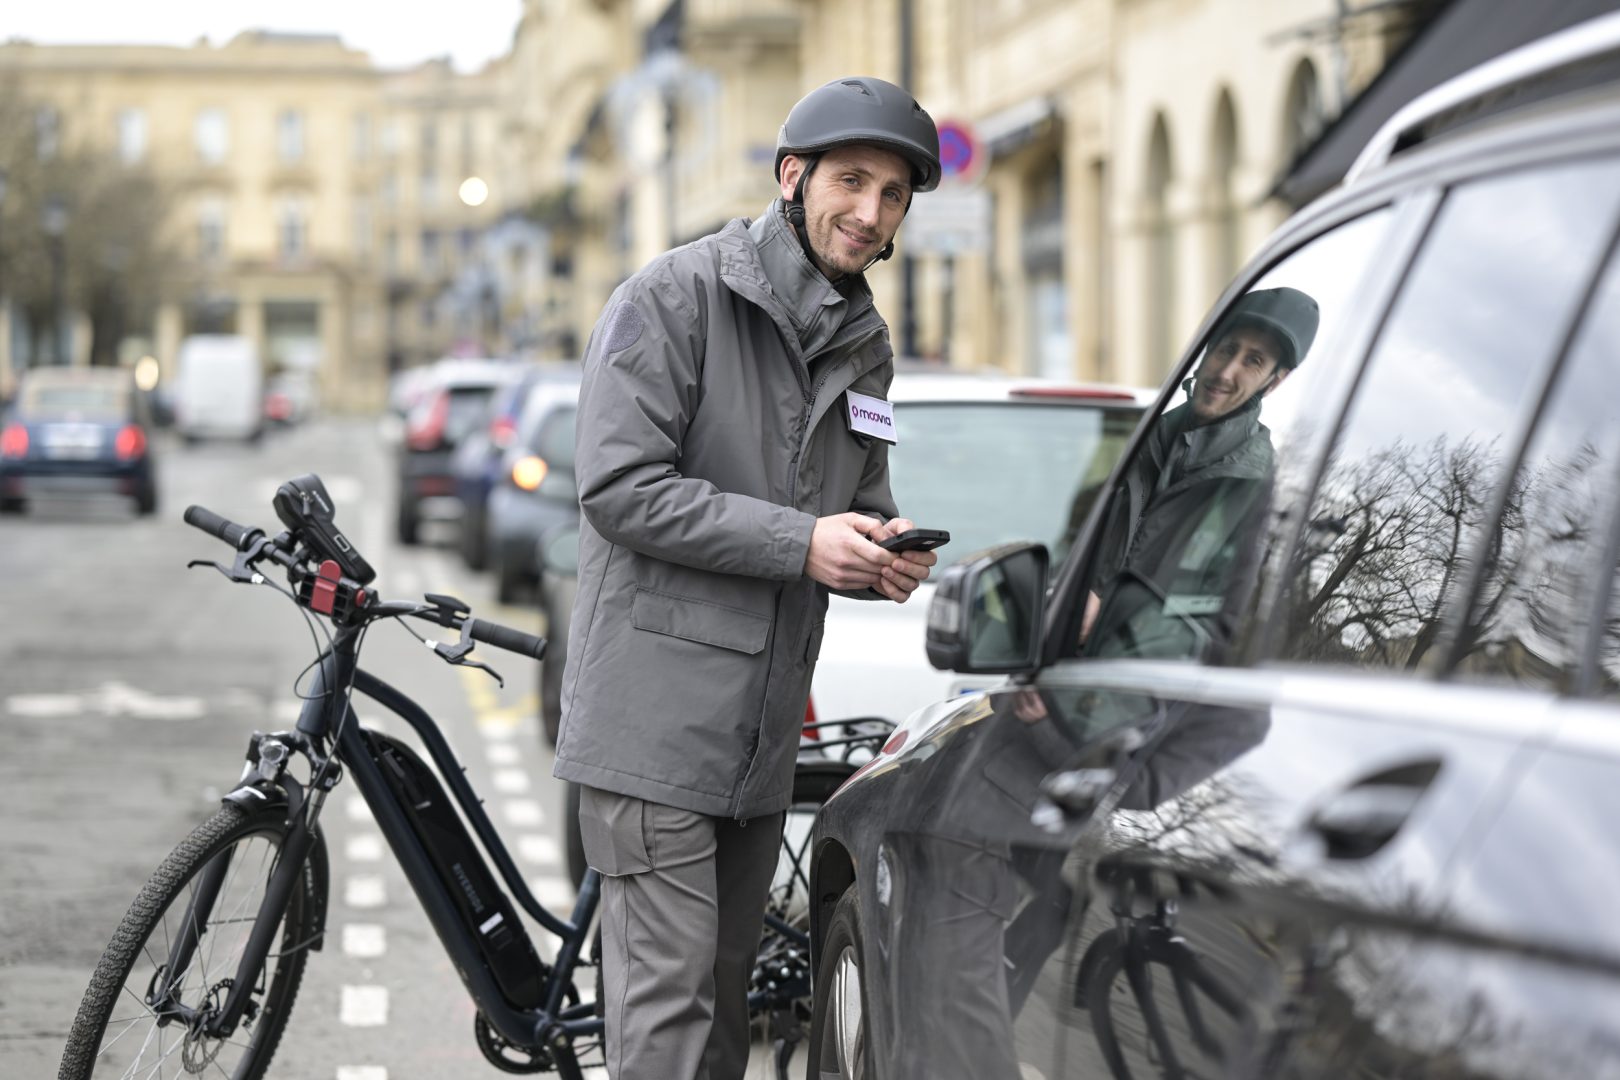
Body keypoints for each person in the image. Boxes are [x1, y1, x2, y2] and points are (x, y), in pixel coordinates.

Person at [552, 76, 942, 1079]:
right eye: (851, 182)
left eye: (893, 195)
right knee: (670, 1024)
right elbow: (620, 489)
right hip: (653, 734)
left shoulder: (864, 345)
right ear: (791, 176)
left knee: (724, 1023)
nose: (870, 212)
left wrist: (880, 551)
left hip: (759, 746)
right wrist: (803, 543)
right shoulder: (671, 298)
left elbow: (855, 496)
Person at [1081, 286, 1320, 657]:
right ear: (1207, 349)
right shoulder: (1132, 439)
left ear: (1274, 381)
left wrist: (1110, 619)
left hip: (1147, 685)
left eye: (1253, 361)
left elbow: (1228, 629)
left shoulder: (1261, 487)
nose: (1225, 372)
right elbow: (1066, 548)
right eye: (1226, 349)